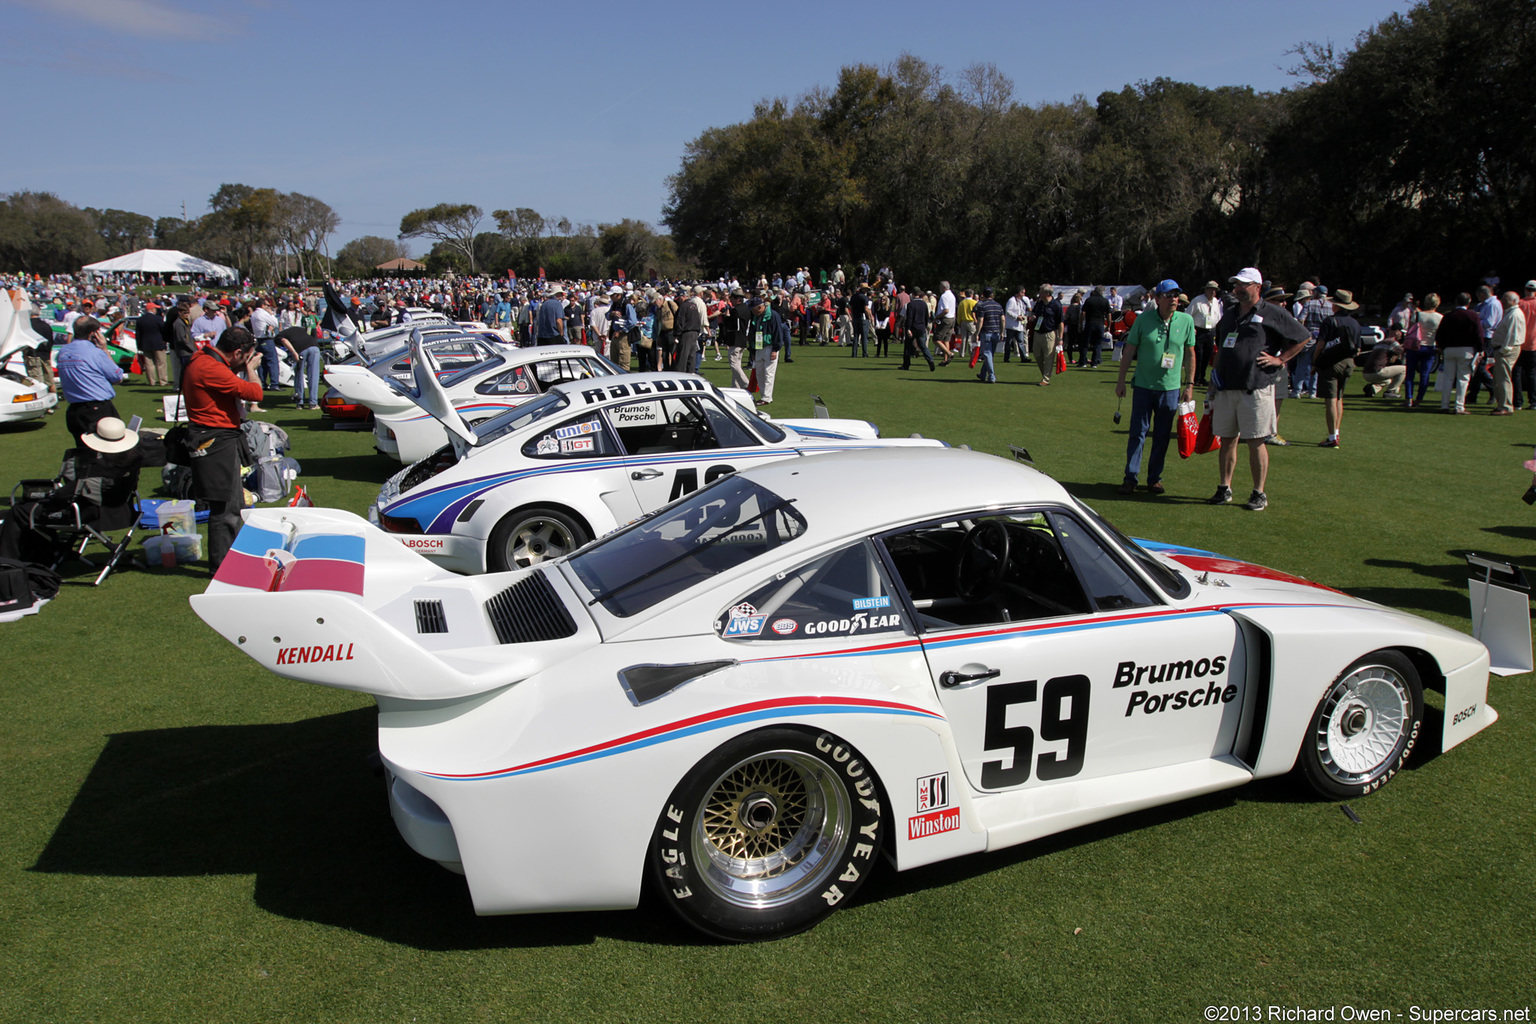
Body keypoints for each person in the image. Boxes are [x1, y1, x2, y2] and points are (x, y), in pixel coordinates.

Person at [1207, 267, 1310, 511]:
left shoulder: (1272, 312)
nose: (1238, 289)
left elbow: (1303, 337)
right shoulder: (1230, 314)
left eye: (1244, 284)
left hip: (1256, 387)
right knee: (1227, 440)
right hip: (1226, 387)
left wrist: (1281, 359)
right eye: (1236, 285)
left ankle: (1258, 493)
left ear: (1257, 287)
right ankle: (1224, 488)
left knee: (1255, 440)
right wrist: (1213, 379)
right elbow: (1221, 346)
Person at [0, 417, 166, 564]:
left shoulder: (92, 469)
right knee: (34, 511)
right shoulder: (132, 461)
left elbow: (63, 495)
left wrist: (50, 496)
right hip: (123, 511)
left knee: (19, 511)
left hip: (88, 514)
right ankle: (48, 554)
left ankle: (8, 561)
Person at [183, 326, 264, 572]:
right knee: (225, 505)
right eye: (247, 356)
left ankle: (229, 560)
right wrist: (250, 370)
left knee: (232, 502)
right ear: (239, 352)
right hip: (215, 439)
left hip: (215, 436)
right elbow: (255, 392)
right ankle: (222, 567)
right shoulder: (210, 367)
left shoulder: (204, 360)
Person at [1114, 280, 1195, 495]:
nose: (1173, 299)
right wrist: (1121, 381)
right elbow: (1129, 351)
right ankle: (1130, 478)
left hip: (1170, 389)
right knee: (1137, 433)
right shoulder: (1143, 320)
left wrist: (1190, 385)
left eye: (1176, 295)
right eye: (1168, 295)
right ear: (1157, 299)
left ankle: (1154, 479)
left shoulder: (1186, 321)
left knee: (1162, 435)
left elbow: (1190, 354)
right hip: (1142, 386)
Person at [55, 316, 123, 447]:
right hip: (97, 409)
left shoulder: (63, 352)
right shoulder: (95, 353)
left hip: (75, 410)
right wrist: (104, 349)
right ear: (93, 334)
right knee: (110, 450)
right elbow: (117, 376)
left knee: (84, 452)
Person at [1314, 289, 1363, 447]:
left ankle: (1331, 437)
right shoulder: (1355, 323)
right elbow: (1358, 348)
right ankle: (1336, 432)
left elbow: (1320, 344)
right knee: (1339, 398)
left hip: (1331, 363)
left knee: (1330, 399)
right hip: (1348, 362)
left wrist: (1315, 362)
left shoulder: (1330, 321)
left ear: (1336, 306)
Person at [1437, 294, 1481, 414]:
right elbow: (1478, 334)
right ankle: (1459, 406)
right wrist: (1480, 349)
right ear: (1469, 302)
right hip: (1466, 350)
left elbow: (1440, 334)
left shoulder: (1448, 316)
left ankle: (1444, 405)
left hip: (1450, 349)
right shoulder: (1472, 316)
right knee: (1463, 379)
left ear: (1456, 302)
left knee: (1448, 378)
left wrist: (1442, 347)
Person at [1489, 291, 1526, 415]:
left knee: (1503, 377)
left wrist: (1504, 350)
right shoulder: (1510, 313)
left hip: (1507, 350)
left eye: (1506, 299)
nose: (1503, 302)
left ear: (1514, 301)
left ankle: (1505, 406)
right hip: (1504, 348)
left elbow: (1512, 335)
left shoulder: (1514, 314)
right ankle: (1502, 404)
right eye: (1503, 299)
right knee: (1499, 377)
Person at [1403, 293, 1442, 408]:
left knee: (1410, 373)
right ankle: (1419, 399)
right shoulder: (1440, 317)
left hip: (1415, 345)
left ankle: (1408, 398)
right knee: (1425, 375)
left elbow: (1410, 329)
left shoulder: (1418, 315)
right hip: (1430, 346)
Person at [747, 294, 786, 406]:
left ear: (760, 307)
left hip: (770, 347)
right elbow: (752, 334)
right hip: (759, 347)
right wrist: (753, 351)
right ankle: (763, 395)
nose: (752, 312)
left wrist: (775, 349)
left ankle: (767, 397)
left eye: (753, 309)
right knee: (759, 372)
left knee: (768, 373)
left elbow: (778, 333)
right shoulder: (756, 317)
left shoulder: (773, 315)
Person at [277, 322, 323, 409]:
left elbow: (284, 341)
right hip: (314, 348)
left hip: (300, 350)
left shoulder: (279, 336)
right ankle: (313, 403)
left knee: (299, 375)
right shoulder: (300, 329)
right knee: (313, 375)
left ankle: (300, 402)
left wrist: (293, 352)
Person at [1188, 281, 1223, 386]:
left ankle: (1202, 377)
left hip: (1211, 331)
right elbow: (1188, 315)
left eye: (1215, 290)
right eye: (1211, 289)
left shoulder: (1216, 302)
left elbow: (1219, 317)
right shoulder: (1197, 300)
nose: (1213, 292)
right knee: (1198, 355)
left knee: (1208, 355)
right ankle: (1196, 378)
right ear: (1206, 290)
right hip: (1199, 331)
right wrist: (1191, 328)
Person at [1030, 285, 1063, 385]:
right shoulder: (1039, 303)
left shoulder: (1056, 305)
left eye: (1041, 292)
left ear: (1047, 293)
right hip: (1037, 332)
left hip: (1049, 334)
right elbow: (1034, 313)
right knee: (1037, 354)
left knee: (1048, 356)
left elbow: (1060, 322)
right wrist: (1032, 316)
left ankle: (1046, 378)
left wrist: (1060, 338)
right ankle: (1046, 373)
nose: (1039, 293)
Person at [972, 286, 1005, 384]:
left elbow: (980, 320)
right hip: (996, 332)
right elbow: (1003, 319)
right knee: (990, 355)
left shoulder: (982, 306)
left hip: (986, 332)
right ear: (992, 294)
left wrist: (977, 333)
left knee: (987, 354)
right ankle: (983, 374)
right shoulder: (999, 305)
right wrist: (1002, 332)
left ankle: (991, 376)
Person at [900, 286, 936, 372]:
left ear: (912, 294)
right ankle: (930, 359)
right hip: (921, 327)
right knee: (923, 346)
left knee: (908, 347)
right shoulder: (924, 304)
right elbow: (927, 317)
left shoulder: (910, 304)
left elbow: (910, 318)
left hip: (912, 327)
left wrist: (908, 328)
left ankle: (906, 365)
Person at [248, 296, 281, 391]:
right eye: (267, 305)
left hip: (258, 339)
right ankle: (274, 384)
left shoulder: (254, 314)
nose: (268, 307)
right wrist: (271, 314)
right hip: (266, 339)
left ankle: (262, 382)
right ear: (263, 305)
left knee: (262, 363)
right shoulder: (263, 313)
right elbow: (275, 323)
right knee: (272, 362)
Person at [134, 302, 168, 387]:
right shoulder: (158, 319)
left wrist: (139, 345)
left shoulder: (140, 320)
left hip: (145, 344)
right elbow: (164, 330)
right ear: (152, 309)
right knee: (161, 363)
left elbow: (138, 334)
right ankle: (163, 381)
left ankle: (151, 381)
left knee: (149, 364)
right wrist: (165, 340)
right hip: (158, 343)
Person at [1080, 286, 1111, 368]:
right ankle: (1095, 362)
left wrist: (1080, 323)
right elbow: (1108, 314)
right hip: (1100, 324)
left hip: (1090, 323)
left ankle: (1083, 362)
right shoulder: (1105, 301)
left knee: (1085, 343)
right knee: (1097, 344)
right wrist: (1109, 325)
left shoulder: (1089, 300)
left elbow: (1083, 313)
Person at [1003, 286, 1030, 363]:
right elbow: (1008, 311)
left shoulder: (1021, 301)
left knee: (1021, 342)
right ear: (1019, 292)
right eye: (1023, 293)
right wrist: (1016, 317)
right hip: (1011, 325)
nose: (1024, 294)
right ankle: (1006, 358)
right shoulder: (1011, 300)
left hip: (1019, 326)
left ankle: (1023, 357)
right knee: (1009, 342)